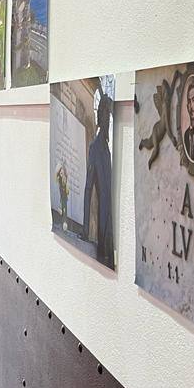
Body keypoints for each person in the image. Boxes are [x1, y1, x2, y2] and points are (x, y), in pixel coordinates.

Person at [83, 94, 114, 268]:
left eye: (109, 115)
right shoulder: (95, 148)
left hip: (110, 224)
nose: (108, 119)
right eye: (106, 115)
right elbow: (88, 189)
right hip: (103, 232)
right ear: (100, 117)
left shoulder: (108, 150)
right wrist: (86, 231)